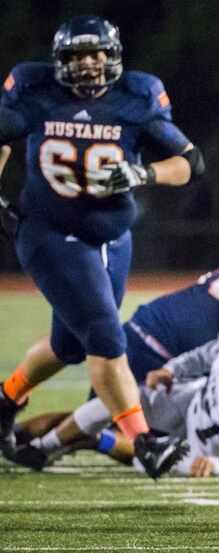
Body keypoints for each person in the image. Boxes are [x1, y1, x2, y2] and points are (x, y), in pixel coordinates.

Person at [0, 15, 206, 477]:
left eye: (97, 53)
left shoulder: (136, 96)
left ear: (113, 57)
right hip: (49, 231)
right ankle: (144, 442)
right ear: (59, 62)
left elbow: (191, 163)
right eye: (77, 55)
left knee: (69, 345)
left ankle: (6, 396)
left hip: (114, 237)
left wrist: (143, 173)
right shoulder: (36, 91)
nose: (89, 63)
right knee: (106, 337)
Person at [9, 239, 219, 469]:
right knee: (143, 442)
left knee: (115, 421)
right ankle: (29, 441)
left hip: (154, 328)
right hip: (168, 349)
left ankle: (25, 439)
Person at [21, 309, 219, 477]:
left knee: (151, 459)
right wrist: (173, 370)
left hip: (203, 446)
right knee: (122, 401)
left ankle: (98, 440)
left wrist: (216, 466)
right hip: (194, 399)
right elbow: (210, 353)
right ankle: (42, 448)